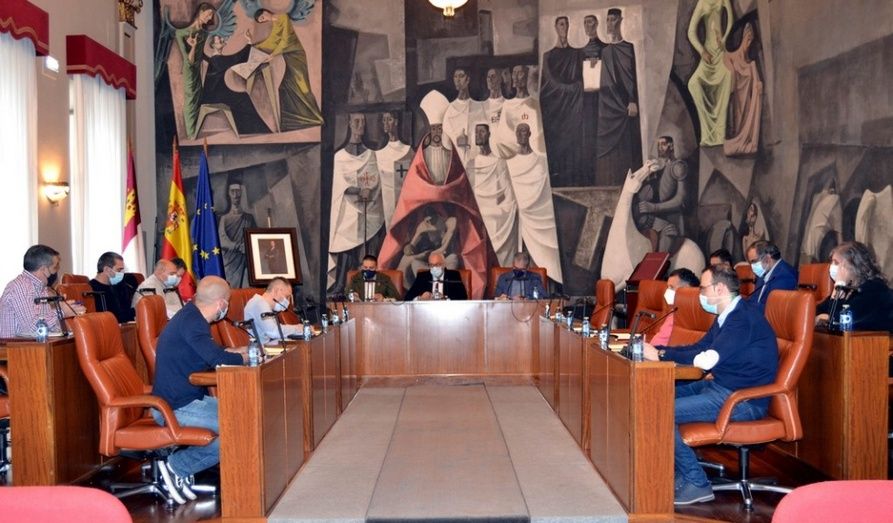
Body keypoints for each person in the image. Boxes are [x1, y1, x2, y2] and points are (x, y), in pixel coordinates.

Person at [643, 266, 778, 505]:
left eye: (703, 289)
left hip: (742, 400)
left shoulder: (741, 319)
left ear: (720, 289)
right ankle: (679, 472)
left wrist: (661, 356)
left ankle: (697, 482)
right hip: (721, 387)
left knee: (659, 410)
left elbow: (706, 359)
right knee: (655, 396)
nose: (700, 295)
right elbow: (699, 347)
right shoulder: (727, 316)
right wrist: (659, 350)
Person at [378, 90, 495, 298]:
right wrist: (416, 242)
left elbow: (458, 184)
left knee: (450, 263)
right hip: (427, 261)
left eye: (439, 128)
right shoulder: (423, 155)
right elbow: (414, 189)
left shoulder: (450, 220)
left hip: (442, 260)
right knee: (406, 264)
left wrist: (442, 191)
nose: (437, 132)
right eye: (433, 129)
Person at [151, 276, 246, 505]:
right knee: (238, 429)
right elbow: (216, 359)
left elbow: (211, 352)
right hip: (174, 408)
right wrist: (245, 357)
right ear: (222, 303)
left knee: (246, 414)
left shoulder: (192, 317)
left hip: (190, 400)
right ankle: (177, 466)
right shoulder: (193, 323)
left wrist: (236, 351)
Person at [327, 112, 384, 292]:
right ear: (350, 124)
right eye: (357, 121)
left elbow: (375, 181)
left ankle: (368, 287)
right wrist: (359, 190)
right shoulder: (340, 157)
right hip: (348, 209)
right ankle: (340, 286)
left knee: (371, 242)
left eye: (363, 122)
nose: (360, 125)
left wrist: (368, 190)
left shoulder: (371, 155)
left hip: (369, 207)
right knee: (345, 242)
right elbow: (340, 186)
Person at [504, 123, 563, 285]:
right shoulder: (509, 162)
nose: (521, 134)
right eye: (518, 131)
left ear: (530, 134)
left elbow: (545, 190)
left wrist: (534, 204)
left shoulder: (541, 160)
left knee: (541, 257)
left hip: (538, 214)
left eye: (524, 131)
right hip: (519, 216)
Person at [251, 8, 324, 131]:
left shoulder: (283, 17)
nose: (264, 21)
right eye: (261, 21)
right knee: (286, 86)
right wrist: (253, 45)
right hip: (287, 56)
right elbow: (272, 40)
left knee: (302, 86)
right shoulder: (275, 23)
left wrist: (273, 54)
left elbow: (286, 40)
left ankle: (315, 118)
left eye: (262, 18)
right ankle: (296, 120)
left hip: (295, 55)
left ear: (265, 12)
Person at [596, 8, 642, 186]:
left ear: (621, 21)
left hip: (626, 106)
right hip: (608, 106)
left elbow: (632, 77)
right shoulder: (605, 52)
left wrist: (632, 100)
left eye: (613, 19)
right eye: (607, 20)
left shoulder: (629, 48)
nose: (610, 23)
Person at [0, 245, 83, 337]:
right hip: (14, 345)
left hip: (34, 344)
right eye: (55, 268)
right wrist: (61, 312)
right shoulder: (19, 287)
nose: (56, 272)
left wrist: (61, 309)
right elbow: (31, 328)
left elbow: (49, 328)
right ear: (43, 269)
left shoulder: (41, 288)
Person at [540, 16, 584, 186]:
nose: (564, 27)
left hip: (573, 108)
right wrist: (570, 88)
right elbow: (549, 82)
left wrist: (576, 87)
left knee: (573, 143)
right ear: (555, 27)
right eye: (561, 24)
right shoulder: (548, 56)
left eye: (566, 24)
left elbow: (583, 79)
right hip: (556, 110)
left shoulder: (577, 54)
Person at [466, 123, 518, 267]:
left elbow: (507, 193)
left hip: (494, 216)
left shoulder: (499, 162)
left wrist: (506, 210)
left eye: (482, 132)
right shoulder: (471, 164)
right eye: (476, 132)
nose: (478, 135)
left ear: (489, 135)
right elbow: (468, 193)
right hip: (477, 214)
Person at [815, 241, 893, 332]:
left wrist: (838, 288)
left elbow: (839, 324)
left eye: (836, 263)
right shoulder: (848, 289)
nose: (831, 267)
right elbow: (816, 312)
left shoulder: (874, 289)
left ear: (853, 266)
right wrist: (821, 317)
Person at [687, 0, 733, 147]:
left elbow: (730, 21)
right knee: (693, 84)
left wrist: (724, 40)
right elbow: (691, 32)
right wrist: (702, 51)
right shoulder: (702, 2)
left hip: (721, 53)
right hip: (708, 55)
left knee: (727, 78)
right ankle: (707, 133)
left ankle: (720, 134)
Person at [633, 136, 688, 253]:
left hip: (672, 222)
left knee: (661, 254)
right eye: (658, 145)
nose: (659, 148)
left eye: (663, 144)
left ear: (671, 146)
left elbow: (680, 200)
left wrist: (654, 207)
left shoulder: (678, 166)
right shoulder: (661, 169)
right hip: (658, 219)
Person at [174, 3, 216, 139]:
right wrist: (193, 46)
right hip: (190, 71)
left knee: (198, 98)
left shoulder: (203, 33)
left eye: (211, 16)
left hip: (198, 70)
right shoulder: (181, 33)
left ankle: (194, 133)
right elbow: (189, 61)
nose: (210, 18)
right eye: (208, 14)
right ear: (200, 12)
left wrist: (215, 57)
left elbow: (202, 54)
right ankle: (191, 134)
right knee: (191, 99)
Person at [722, 23, 762, 156]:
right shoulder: (730, 57)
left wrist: (758, 86)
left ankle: (743, 143)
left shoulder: (751, 64)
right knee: (733, 128)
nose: (749, 43)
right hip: (735, 102)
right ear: (742, 38)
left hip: (747, 103)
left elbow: (756, 82)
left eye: (751, 40)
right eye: (747, 39)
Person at [375, 111, 413, 230]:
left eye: (389, 119)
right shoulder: (379, 152)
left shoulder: (407, 150)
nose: (386, 123)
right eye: (384, 120)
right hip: (386, 203)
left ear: (396, 122)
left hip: (404, 200)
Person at [442, 67, 486, 167]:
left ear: (468, 80)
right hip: (456, 161)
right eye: (455, 77)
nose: (458, 80)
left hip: (476, 160)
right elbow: (446, 140)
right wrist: (457, 140)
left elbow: (484, 133)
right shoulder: (450, 109)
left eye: (461, 76)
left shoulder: (478, 107)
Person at [218, 177, 257, 288]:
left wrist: (247, 246)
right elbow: (221, 240)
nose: (236, 195)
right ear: (228, 194)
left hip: (245, 261)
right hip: (230, 262)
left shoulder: (249, 218)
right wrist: (237, 246)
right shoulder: (224, 219)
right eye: (233, 191)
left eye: (238, 191)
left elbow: (255, 238)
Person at [649, 268, 699, 346]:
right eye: (667, 287)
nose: (667, 291)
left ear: (686, 289)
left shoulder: (689, 316)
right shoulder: (674, 311)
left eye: (671, 287)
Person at [243, 277, 301, 343]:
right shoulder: (260, 303)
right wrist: (298, 328)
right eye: (287, 296)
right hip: (260, 348)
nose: (288, 301)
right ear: (277, 291)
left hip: (267, 345)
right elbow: (273, 332)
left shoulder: (265, 305)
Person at [745, 240, 798, 311]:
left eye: (754, 261)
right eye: (750, 263)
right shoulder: (764, 273)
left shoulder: (786, 276)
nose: (752, 266)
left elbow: (772, 309)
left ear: (767, 258)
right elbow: (754, 299)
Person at [89, 252, 135, 323]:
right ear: (107, 270)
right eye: (119, 270)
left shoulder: (116, 287)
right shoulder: (90, 290)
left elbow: (122, 314)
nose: (122, 274)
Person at [403, 252, 468, 301]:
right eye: (431, 265)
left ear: (444, 264)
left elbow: (463, 297)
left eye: (437, 264)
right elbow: (407, 298)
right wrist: (420, 298)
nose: (434, 268)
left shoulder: (453, 276)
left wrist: (445, 299)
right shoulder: (422, 277)